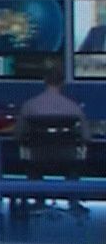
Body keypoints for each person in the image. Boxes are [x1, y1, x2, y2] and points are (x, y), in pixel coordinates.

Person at [14, 67, 88, 212]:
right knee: (74, 164)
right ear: (63, 83)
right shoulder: (74, 108)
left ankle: (39, 200)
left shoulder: (29, 106)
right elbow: (86, 137)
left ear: (45, 81)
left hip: (36, 160)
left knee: (31, 162)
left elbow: (17, 135)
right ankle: (73, 202)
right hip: (68, 161)